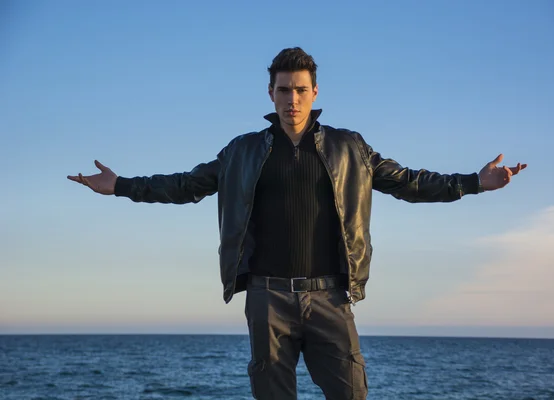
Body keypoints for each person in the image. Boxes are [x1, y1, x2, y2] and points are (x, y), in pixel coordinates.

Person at [68, 47, 527, 400]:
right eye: (283, 90)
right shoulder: (242, 151)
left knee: (352, 393)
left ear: (315, 93)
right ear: (270, 93)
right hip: (267, 299)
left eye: (300, 89)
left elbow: (408, 182)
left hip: (330, 296)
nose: (292, 99)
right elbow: (187, 184)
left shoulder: (351, 148)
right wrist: (123, 184)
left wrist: (474, 182)